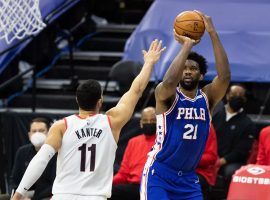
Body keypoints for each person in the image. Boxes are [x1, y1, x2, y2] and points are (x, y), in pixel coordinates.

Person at [11, 39, 166, 200]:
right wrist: (149, 63)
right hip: (95, 197)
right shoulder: (112, 122)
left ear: (77, 100)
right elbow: (137, 89)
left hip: (63, 196)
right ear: (100, 101)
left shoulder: (61, 126)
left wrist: (18, 194)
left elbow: (41, 159)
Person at [140, 10, 231, 200]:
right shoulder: (167, 95)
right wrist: (186, 46)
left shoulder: (207, 98)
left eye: (193, 69)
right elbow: (169, 81)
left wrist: (213, 34)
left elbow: (224, 77)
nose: (188, 72)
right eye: (185, 68)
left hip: (188, 179)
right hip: (160, 174)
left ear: (201, 75)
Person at [212, 84, 256, 195]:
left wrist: (222, 160)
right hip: (210, 157)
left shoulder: (248, 123)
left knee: (231, 172)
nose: (237, 97)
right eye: (234, 94)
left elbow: (242, 150)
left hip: (231, 162)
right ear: (227, 96)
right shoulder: (215, 117)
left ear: (245, 99)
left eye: (240, 96)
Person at [110, 107, 156, 200]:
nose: (149, 123)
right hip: (134, 187)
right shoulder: (133, 142)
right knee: (107, 192)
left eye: (152, 120)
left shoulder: (164, 142)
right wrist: (106, 184)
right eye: (145, 120)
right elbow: (123, 173)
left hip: (155, 187)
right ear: (141, 123)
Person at [9, 117, 56, 200]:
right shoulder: (22, 152)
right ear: (29, 134)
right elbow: (14, 180)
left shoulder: (56, 153)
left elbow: (55, 184)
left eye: (41, 131)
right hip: (23, 194)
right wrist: (20, 196)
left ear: (49, 133)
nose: (37, 134)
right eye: (34, 131)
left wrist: (34, 198)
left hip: (46, 196)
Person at [196, 124, 219, 200]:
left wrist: (190, 160)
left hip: (200, 172)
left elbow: (211, 157)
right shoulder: (169, 123)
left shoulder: (206, 125)